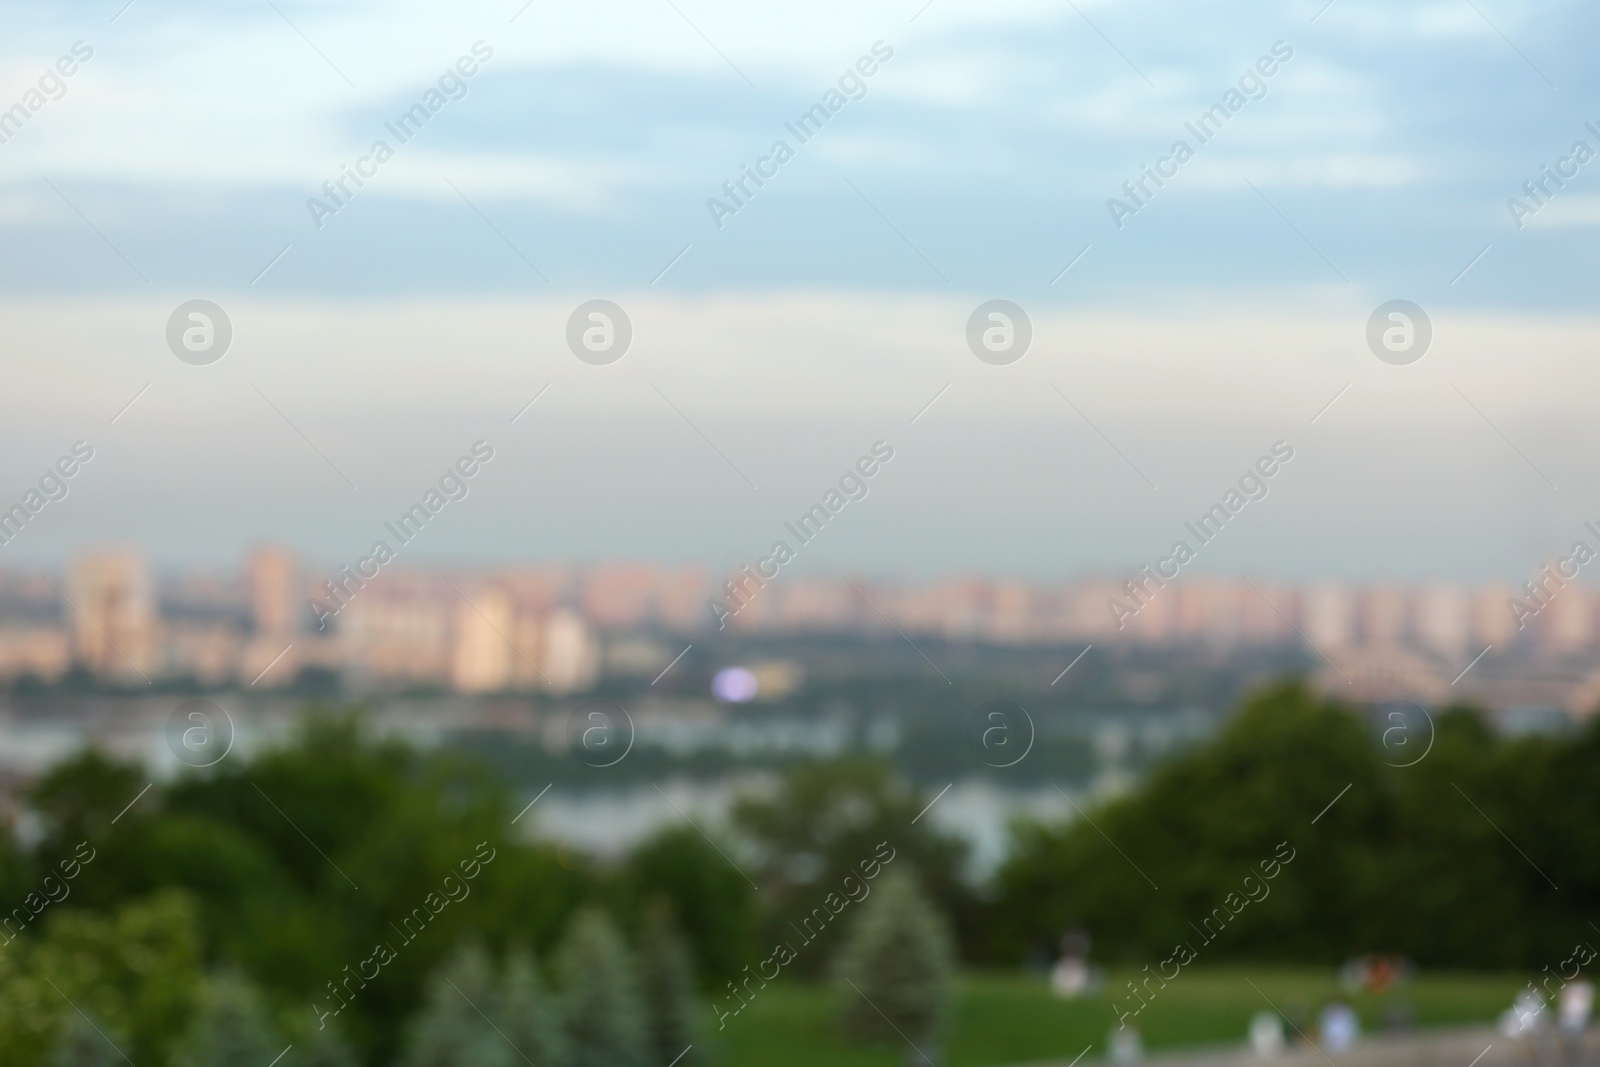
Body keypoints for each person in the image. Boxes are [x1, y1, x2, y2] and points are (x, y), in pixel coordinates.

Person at [1559, 976, 1593, 1064]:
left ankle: (1574, 1053)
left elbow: (1586, 1003)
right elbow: (1564, 1001)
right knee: (1567, 1037)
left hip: (1578, 1016)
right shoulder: (1571, 988)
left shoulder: (1585, 989)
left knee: (1576, 1037)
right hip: (1569, 1016)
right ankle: (1568, 1053)